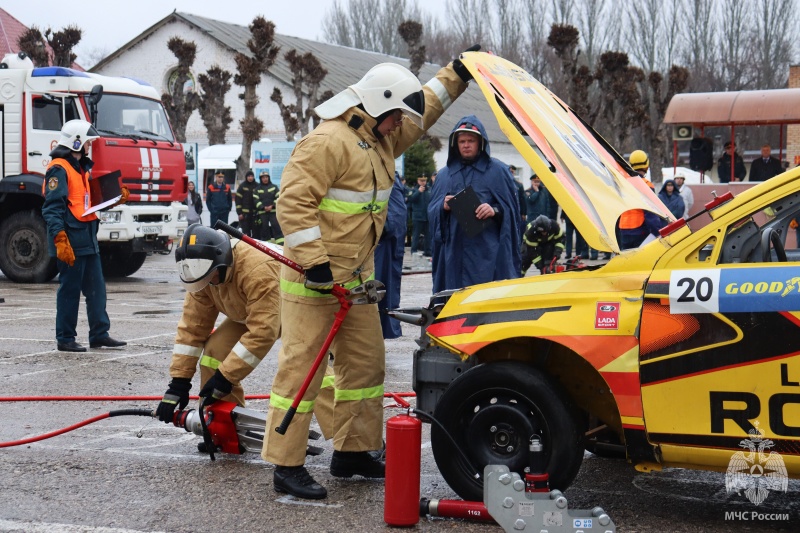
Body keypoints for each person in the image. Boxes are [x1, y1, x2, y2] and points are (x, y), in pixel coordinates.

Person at [262, 54, 472, 500]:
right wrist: (315, 262)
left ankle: (353, 452)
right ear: (378, 106)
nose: (400, 125)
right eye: (396, 116)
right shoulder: (326, 143)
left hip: (356, 285)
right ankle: (286, 463)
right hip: (313, 283)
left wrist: (457, 75)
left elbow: (424, 108)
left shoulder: (379, 139)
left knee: (365, 368)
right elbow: (293, 204)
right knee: (302, 373)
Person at [156, 225, 335, 446]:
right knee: (215, 352)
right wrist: (178, 382)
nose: (208, 284)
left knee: (308, 364)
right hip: (249, 309)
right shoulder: (202, 275)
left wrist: (225, 378)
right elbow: (192, 328)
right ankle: (223, 429)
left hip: (295, 304)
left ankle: (348, 439)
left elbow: (263, 332)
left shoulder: (257, 269)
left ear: (222, 261)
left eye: (211, 278)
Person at [41, 119, 128, 352]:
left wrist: (112, 199)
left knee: (97, 290)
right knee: (69, 291)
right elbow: (52, 208)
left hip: (87, 238)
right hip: (70, 241)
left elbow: (86, 202)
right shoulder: (59, 168)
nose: (90, 145)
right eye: (88, 142)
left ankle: (99, 335)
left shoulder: (80, 168)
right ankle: (65, 338)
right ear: (76, 142)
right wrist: (60, 239)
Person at [429, 116, 521, 293]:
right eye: (462, 141)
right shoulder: (445, 175)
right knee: (455, 297)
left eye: (471, 141)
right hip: (454, 255)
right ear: (456, 144)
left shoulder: (498, 172)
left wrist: (494, 210)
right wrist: (442, 206)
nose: (466, 145)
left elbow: (512, 211)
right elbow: (432, 211)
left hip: (487, 253)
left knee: (486, 297)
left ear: (480, 142)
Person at [374, 173, 407, 339]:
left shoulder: (386, 173)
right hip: (371, 241)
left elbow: (397, 217)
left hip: (378, 243)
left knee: (375, 293)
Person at [619, 150, 666, 249]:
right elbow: (650, 211)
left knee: (627, 257)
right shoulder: (646, 185)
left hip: (623, 229)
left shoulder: (623, 183)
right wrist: (658, 231)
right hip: (640, 230)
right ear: (646, 166)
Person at [254, 171, 282, 243]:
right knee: (264, 229)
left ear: (268, 178)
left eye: (266, 177)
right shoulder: (257, 189)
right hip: (262, 213)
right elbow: (256, 200)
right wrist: (263, 207)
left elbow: (278, 197)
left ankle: (281, 244)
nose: (265, 179)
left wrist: (272, 206)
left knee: (277, 227)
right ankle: (267, 245)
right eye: (263, 177)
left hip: (273, 212)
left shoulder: (274, 187)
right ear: (261, 179)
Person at [409, 175, 431, 256]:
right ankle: (413, 251)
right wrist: (418, 192)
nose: (423, 182)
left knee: (428, 235)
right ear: (418, 181)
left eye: (424, 181)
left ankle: (428, 251)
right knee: (416, 235)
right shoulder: (414, 190)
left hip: (427, 217)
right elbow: (411, 199)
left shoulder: (429, 190)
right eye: (421, 181)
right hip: (418, 217)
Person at [235, 170, 258, 237]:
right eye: (249, 176)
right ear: (246, 177)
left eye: (251, 176)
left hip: (255, 214)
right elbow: (238, 200)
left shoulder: (257, 186)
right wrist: (239, 213)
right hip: (245, 215)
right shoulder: (242, 186)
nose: (250, 178)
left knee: (256, 232)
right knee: (246, 232)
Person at [509, 165, 527, 234]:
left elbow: (523, 199)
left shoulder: (519, 185)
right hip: (508, 209)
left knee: (517, 229)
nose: (511, 173)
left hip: (517, 210)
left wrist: (524, 213)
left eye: (512, 172)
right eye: (510, 172)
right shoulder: (504, 183)